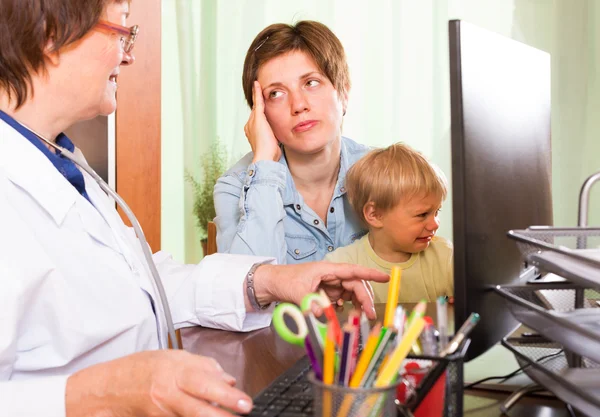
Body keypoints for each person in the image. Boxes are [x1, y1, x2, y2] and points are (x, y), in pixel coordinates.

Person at [0, 2, 389, 416]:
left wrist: (271, 279)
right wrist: (99, 392)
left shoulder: (61, 161)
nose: (129, 53)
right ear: (50, 34)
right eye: (122, 32)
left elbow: (142, 285)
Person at [214, 21, 370, 265]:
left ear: (344, 93)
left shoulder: (384, 170)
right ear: (260, 114)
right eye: (275, 94)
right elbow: (249, 293)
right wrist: (264, 160)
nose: (298, 105)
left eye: (311, 83)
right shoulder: (233, 189)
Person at [325, 143, 454, 303]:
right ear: (375, 215)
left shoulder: (447, 258)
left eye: (437, 212)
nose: (434, 224)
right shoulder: (341, 266)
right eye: (422, 215)